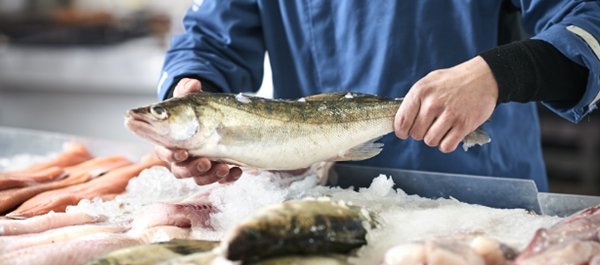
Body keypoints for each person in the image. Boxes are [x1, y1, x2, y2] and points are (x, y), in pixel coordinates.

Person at [154, 0, 599, 191]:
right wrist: (192, 96)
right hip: (319, 200)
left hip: (479, 197)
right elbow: (210, 39)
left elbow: (588, 21)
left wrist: (498, 74)